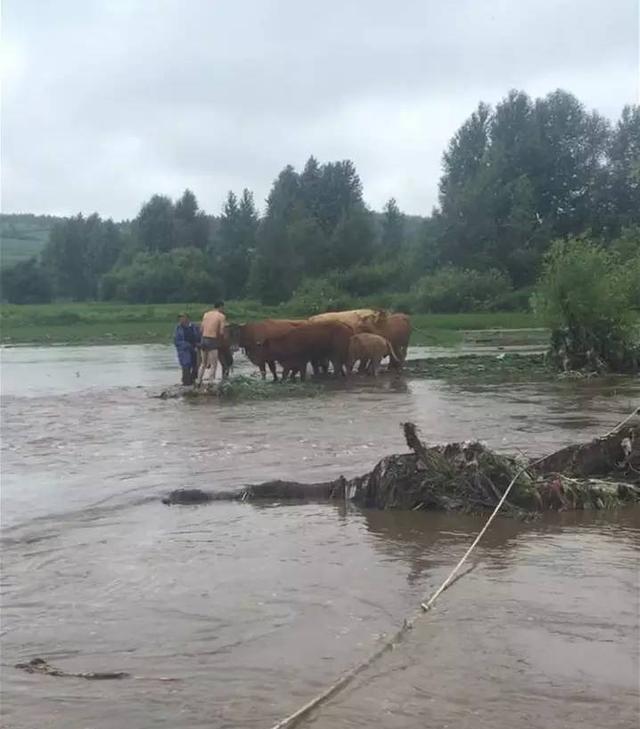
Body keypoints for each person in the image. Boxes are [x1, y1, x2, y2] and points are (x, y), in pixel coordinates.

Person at [197, 301, 226, 385]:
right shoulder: (221, 316)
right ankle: (210, 382)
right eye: (223, 307)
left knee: (203, 363)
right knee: (214, 364)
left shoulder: (206, 314)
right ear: (220, 307)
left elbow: (201, 329)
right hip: (212, 340)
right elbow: (221, 332)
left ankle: (199, 380)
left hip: (203, 339)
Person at [174, 313, 200, 386]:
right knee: (186, 364)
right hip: (184, 349)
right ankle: (186, 383)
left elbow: (199, 336)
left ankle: (193, 381)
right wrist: (186, 345)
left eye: (182, 317)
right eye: (180, 318)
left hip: (195, 348)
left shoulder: (194, 327)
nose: (181, 319)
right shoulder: (178, 328)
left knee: (196, 365)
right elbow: (176, 341)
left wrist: (198, 344)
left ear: (188, 318)